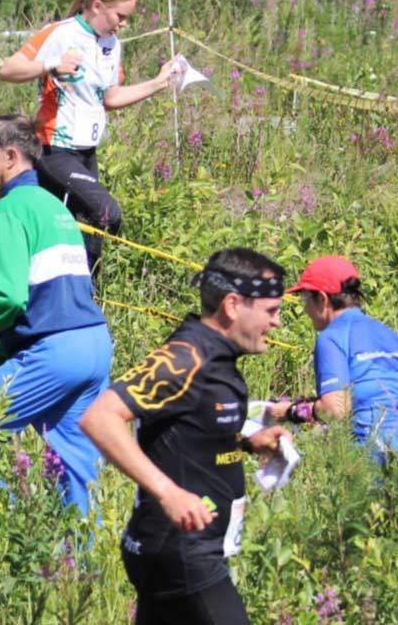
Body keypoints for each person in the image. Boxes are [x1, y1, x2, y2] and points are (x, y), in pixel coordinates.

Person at [80, 248, 293, 625]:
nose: (277, 323)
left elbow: (184, 428)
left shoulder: (217, 358)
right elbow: (100, 417)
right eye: (271, 311)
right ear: (232, 305)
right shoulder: (185, 357)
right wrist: (168, 492)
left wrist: (246, 442)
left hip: (190, 550)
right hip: (180, 552)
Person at [0, 114, 112, 515]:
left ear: (11, 156)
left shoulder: (9, 210)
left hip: (56, 353)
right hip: (94, 346)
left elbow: (9, 300)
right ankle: (80, 566)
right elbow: (50, 305)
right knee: (74, 467)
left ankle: (0, 538)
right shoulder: (56, 209)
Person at [0, 0, 180, 274]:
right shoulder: (59, 33)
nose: (123, 24)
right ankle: (77, 292)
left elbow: (111, 97)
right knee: (106, 213)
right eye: (120, 16)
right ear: (97, 5)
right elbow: (8, 70)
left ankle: (78, 297)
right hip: (54, 149)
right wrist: (50, 65)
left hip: (87, 153)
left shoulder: (112, 44)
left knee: (74, 232)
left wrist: (159, 83)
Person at [266, 255, 398, 483]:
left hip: (374, 460)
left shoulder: (331, 338)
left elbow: (336, 408)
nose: (305, 308)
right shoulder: (389, 335)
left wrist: (290, 411)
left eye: (305, 298)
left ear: (322, 299)